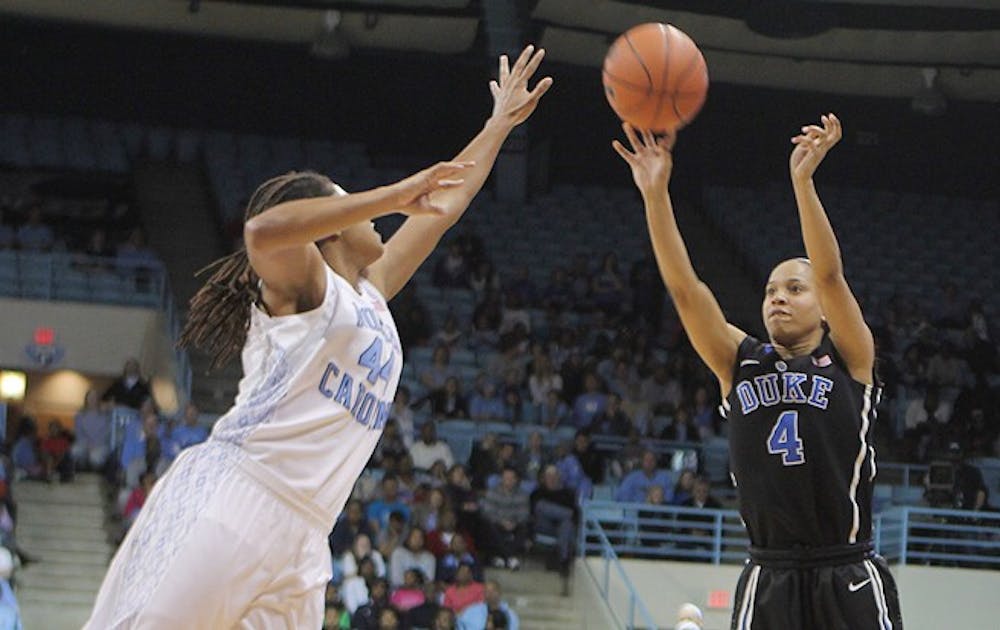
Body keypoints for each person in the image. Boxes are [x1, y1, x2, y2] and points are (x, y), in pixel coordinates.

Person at [84, 45, 551, 629]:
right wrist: (391, 193)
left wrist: (497, 125)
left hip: (307, 535)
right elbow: (261, 232)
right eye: (346, 203)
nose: (372, 213)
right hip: (237, 500)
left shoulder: (370, 293)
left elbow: (448, 202)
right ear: (324, 229)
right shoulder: (306, 290)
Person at [613, 114, 902, 628]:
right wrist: (655, 194)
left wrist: (803, 182)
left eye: (794, 288)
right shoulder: (739, 361)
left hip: (848, 569)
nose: (778, 299)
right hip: (768, 574)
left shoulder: (849, 357)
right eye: (771, 291)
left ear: (822, 306)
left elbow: (831, 274)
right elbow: (685, 290)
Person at [480, 467, 530, 570]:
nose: (509, 481)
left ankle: (500, 557)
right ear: (501, 479)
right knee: (489, 525)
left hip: (515, 523)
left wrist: (514, 523)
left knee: (524, 527)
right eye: (506, 478)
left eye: (512, 478)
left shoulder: (522, 494)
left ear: (516, 480)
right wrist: (502, 521)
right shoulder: (492, 492)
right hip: (497, 522)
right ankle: (510, 557)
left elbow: (524, 514)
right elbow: (488, 512)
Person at [71, 390, 112, 472]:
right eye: (90, 397)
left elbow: (108, 432)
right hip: (84, 443)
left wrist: (95, 444)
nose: (92, 400)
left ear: (98, 399)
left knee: (95, 457)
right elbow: (79, 433)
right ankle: (80, 475)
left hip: (101, 444)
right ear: (86, 399)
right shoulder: (79, 415)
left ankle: (95, 477)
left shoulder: (106, 415)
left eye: (95, 397)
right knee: (74, 451)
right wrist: (87, 444)